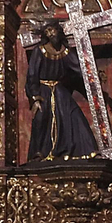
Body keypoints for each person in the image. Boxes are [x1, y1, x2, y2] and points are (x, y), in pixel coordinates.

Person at [24, 19, 99, 161]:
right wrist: (35, 97)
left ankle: (86, 149)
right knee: (41, 118)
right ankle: (39, 152)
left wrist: (94, 77)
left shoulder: (65, 52)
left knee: (73, 114)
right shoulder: (39, 51)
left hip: (59, 90)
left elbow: (79, 68)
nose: (51, 33)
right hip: (43, 90)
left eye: (52, 29)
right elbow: (32, 74)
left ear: (58, 30)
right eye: (47, 31)